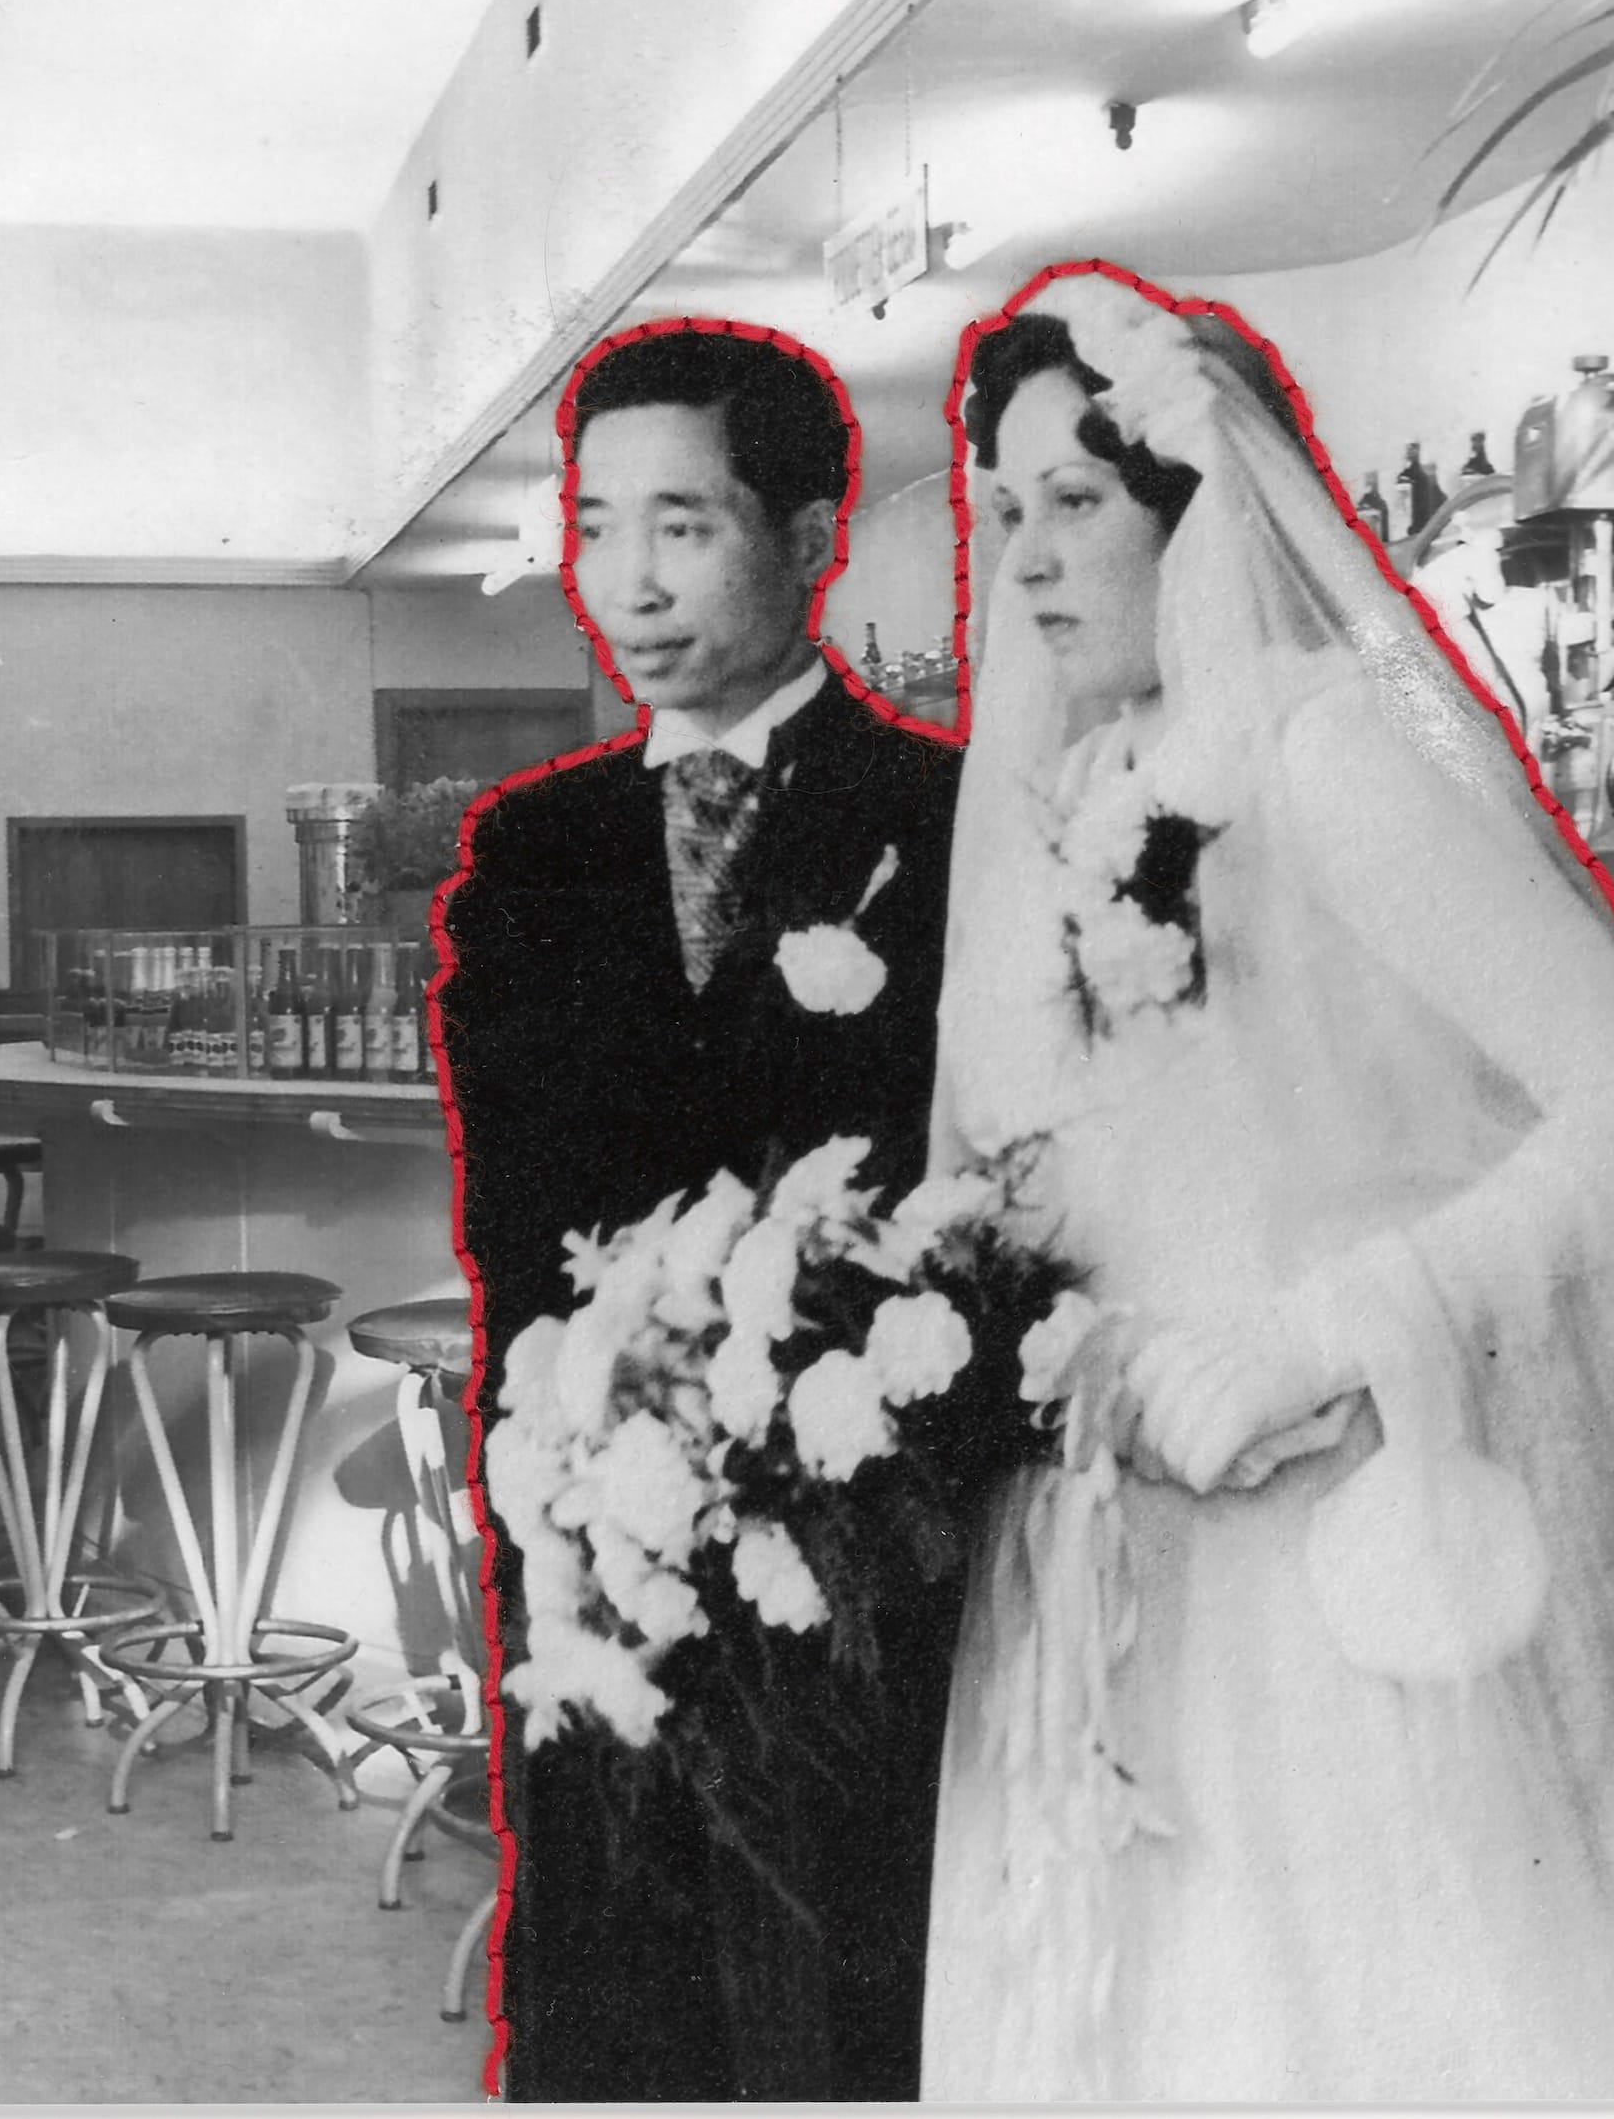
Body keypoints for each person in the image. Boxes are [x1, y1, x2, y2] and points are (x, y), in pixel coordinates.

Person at [919, 269, 1614, 2100]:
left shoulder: (1323, 749)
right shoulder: (1072, 794)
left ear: (1198, 505)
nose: (1029, 563)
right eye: (1006, 515)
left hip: (1305, 1604)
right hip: (1090, 1575)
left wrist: (1325, 1334)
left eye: (1077, 503)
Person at [437, 320, 967, 2100]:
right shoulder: (532, 849)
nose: (626, 585)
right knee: (607, 1964)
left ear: (814, 536)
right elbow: (515, 1217)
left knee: (845, 1973)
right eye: (595, 529)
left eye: (682, 525)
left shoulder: (951, 820)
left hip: (866, 1531)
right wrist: (583, 1463)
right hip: (597, 1507)